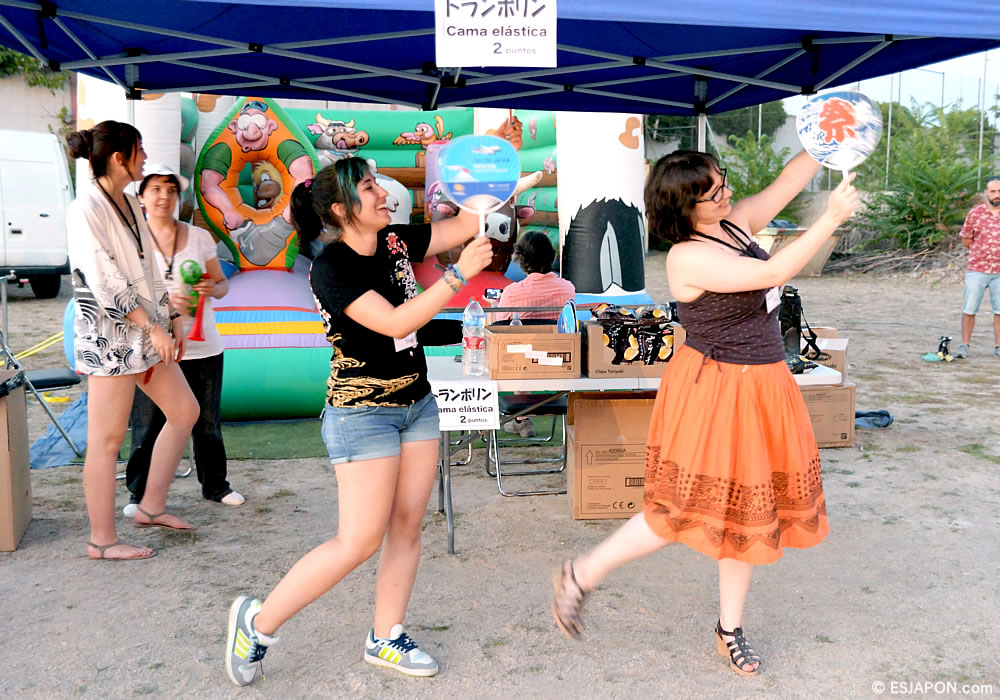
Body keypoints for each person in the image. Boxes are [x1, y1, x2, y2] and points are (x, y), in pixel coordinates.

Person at [550, 150, 858, 676]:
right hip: (715, 389)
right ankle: (581, 574)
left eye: (723, 182)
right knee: (677, 510)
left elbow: (788, 180)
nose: (727, 193)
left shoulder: (733, 224)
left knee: (746, 513)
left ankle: (729, 629)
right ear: (686, 207)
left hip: (762, 382)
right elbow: (777, 269)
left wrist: (824, 139)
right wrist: (829, 218)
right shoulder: (687, 257)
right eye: (714, 191)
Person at [225, 157, 493, 686]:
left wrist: (492, 174)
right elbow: (395, 321)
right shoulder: (331, 268)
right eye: (369, 188)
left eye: (377, 184)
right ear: (340, 209)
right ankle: (256, 625)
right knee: (358, 540)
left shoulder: (395, 241)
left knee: (407, 526)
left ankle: (386, 636)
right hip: (362, 413)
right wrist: (459, 275)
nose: (383, 194)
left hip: (417, 403)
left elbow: (466, 224)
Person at [66, 122, 199, 561]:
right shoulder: (85, 208)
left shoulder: (127, 201)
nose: (145, 158)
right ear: (119, 157)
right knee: (106, 441)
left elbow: (149, 269)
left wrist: (172, 318)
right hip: (109, 338)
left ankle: (151, 506)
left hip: (145, 332)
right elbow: (103, 281)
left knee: (185, 410)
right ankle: (101, 540)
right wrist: (153, 327)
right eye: (139, 150)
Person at [123, 164, 244, 511]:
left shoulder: (199, 237)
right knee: (147, 424)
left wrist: (211, 288)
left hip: (202, 344)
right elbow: (125, 296)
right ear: (141, 196)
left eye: (171, 190)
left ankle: (216, 486)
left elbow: (221, 284)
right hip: (151, 347)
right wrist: (164, 308)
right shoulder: (131, 240)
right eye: (156, 189)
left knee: (206, 423)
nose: (164, 197)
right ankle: (139, 493)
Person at [490, 230, 576, 436]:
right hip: (561, 364)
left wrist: (494, 306)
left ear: (521, 260)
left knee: (518, 348)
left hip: (523, 367)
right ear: (551, 256)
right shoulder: (568, 288)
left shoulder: (512, 292)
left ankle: (522, 419)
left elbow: (497, 328)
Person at [954, 176, 1000, 359]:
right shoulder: (975, 214)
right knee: (969, 308)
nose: (996, 195)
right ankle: (964, 345)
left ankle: (998, 346)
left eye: (999, 191)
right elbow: (967, 240)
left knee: (999, 311)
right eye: (993, 191)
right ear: (986, 193)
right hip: (977, 270)